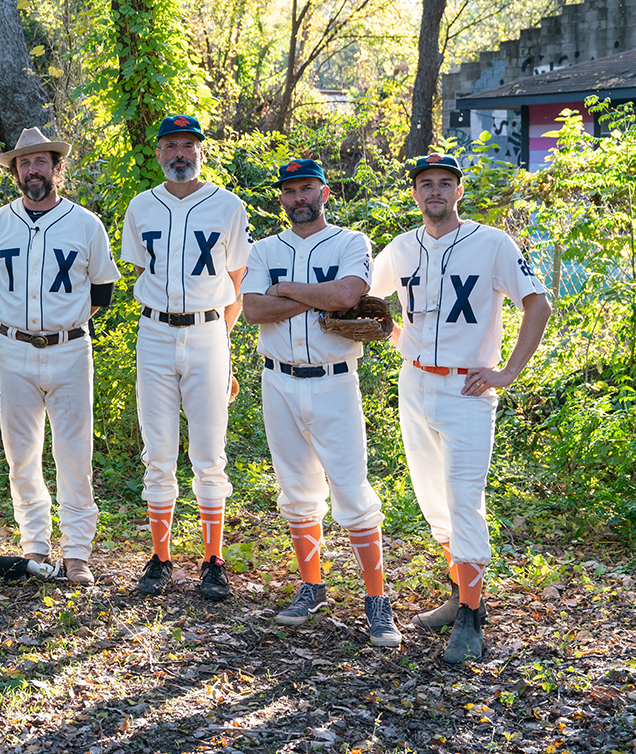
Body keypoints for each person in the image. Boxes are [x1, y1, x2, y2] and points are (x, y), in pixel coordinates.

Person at [369, 153, 551, 663]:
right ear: (414, 193)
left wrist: (508, 372)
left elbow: (537, 303)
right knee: (433, 504)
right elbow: (365, 295)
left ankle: (471, 620)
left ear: (458, 191)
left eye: (445, 183)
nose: (435, 191)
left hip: (468, 389)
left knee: (464, 501)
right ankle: (460, 596)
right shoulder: (402, 248)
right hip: (415, 384)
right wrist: (390, 331)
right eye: (425, 183)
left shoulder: (491, 243)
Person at [239, 159, 401, 646]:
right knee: (295, 487)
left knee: (351, 489)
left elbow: (350, 292)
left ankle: (376, 598)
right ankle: (312, 585)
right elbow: (252, 309)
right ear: (282, 199)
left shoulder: (351, 242)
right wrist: (321, 298)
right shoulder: (265, 248)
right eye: (289, 191)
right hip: (279, 380)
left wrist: (286, 289)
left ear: (324, 192)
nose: (298, 197)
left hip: (334, 380)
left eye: (307, 188)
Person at [0, 127, 122, 586]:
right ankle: (35, 546)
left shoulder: (85, 223)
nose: (32, 169)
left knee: (74, 454)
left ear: (57, 167)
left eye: (41, 161)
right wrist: (20, 322)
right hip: (13, 349)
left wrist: (64, 322)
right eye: (24, 163)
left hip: (69, 349)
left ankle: (77, 552)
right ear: (15, 171)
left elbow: (102, 289)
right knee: (22, 455)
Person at [120, 115, 252, 601]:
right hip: (153, 331)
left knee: (209, 452)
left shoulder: (228, 205)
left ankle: (213, 559)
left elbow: (238, 282)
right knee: (158, 451)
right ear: (158, 153)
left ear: (201, 151)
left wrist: (222, 344)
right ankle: (161, 557)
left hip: (208, 331)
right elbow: (140, 266)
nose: (180, 152)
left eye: (188, 145)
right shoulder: (141, 206)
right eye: (171, 145)